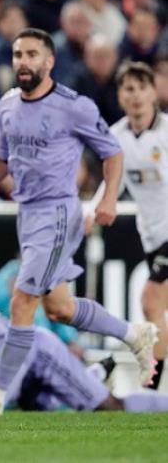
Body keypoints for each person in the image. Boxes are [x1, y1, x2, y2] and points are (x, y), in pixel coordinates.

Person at [0, 28, 157, 417]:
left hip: (59, 212)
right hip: (27, 213)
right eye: (17, 54)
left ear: (49, 62)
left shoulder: (74, 106)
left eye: (31, 54)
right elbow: (3, 161)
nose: (23, 62)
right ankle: (134, 333)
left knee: (22, 299)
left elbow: (112, 154)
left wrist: (108, 198)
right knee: (59, 307)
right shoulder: (8, 105)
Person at [0, 263, 168, 413]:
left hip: (38, 356)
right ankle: (95, 374)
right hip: (17, 382)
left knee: (108, 407)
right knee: (59, 411)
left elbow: (14, 357)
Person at [86, 62, 168, 389]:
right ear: (120, 96)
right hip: (153, 236)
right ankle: (156, 388)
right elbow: (112, 184)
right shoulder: (116, 137)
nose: (135, 96)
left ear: (154, 92)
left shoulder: (166, 132)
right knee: (155, 309)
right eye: (128, 89)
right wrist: (92, 211)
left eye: (141, 88)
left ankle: (152, 384)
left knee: (150, 300)